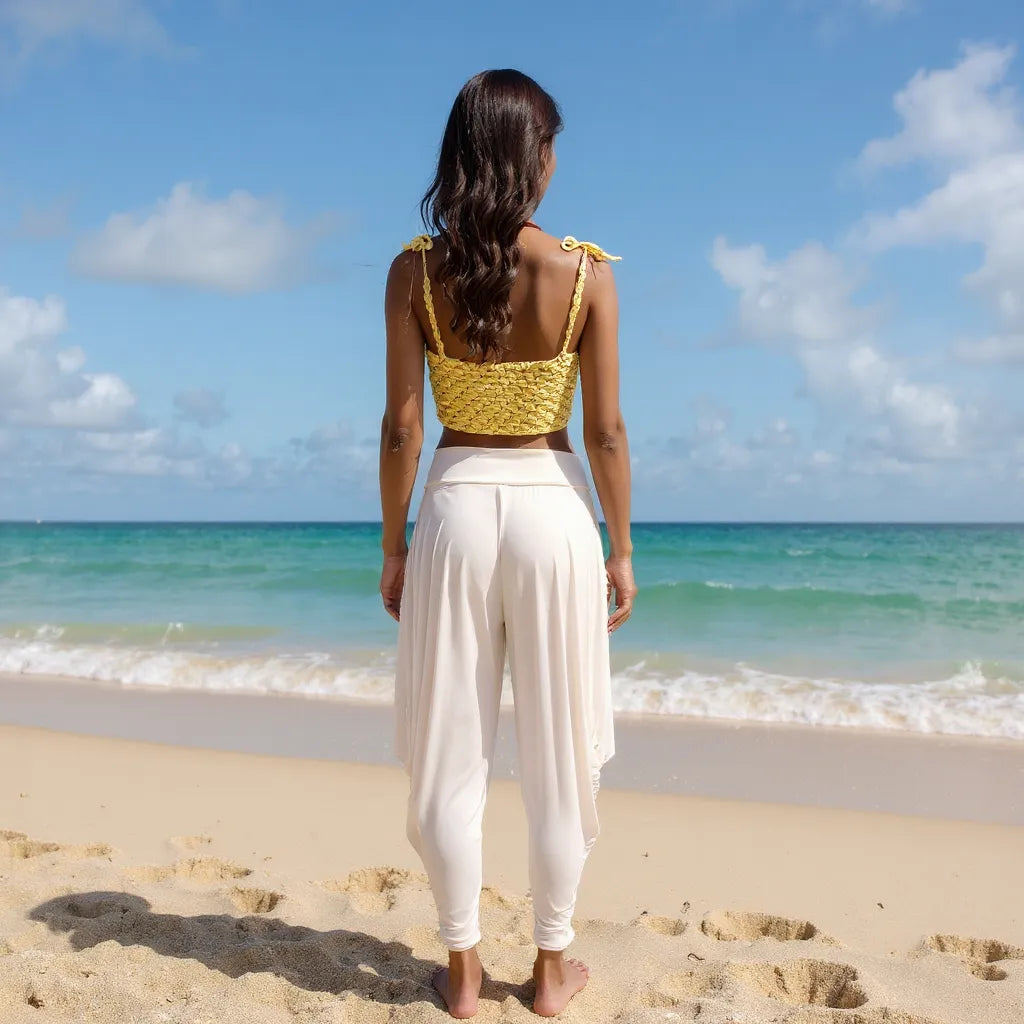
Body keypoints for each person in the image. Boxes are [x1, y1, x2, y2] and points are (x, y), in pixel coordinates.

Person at [378, 68, 635, 1019]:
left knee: (451, 750)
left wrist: (394, 545)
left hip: (452, 510)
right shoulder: (585, 273)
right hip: (555, 513)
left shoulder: (415, 271)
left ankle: (461, 969)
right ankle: (555, 967)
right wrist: (622, 547)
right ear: (534, 159)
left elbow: (402, 427)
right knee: (561, 751)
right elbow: (606, 433)